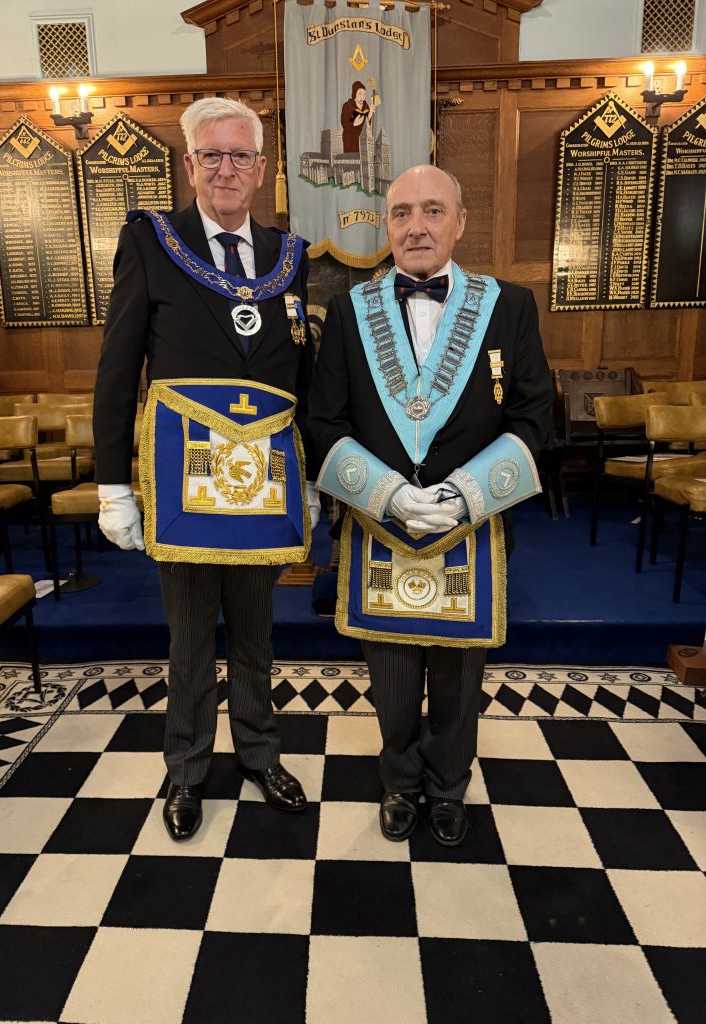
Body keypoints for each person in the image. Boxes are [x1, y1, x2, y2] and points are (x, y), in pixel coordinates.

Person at [93, 97, 319, 842]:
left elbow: (301, 376)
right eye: (212, 155)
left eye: (240, 155)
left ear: (262, 168)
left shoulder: (290, 256)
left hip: (265, 483)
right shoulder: (152, 241)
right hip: (182, 481)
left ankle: (259, 753)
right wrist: (113, 484)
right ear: (189, 165)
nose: (227, 168)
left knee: (257, 631)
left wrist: (309, 476)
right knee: (190, 638)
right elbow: (118, 369)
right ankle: (187, 768)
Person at [308, 165, 553, 846]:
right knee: (389, 675)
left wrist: (466, 495)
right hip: (377, 523)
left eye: (433, 211)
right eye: (402, 212)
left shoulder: (510, 306)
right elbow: (324, 420)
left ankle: (447, 785)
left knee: (457, 677)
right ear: (386, 225)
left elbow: (534, 417)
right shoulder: (350, 312)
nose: (416, 226)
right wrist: (385, 494)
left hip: (469, 526)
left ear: (461, 222)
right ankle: (398, 781)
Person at [341, 81, 373, 153]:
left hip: (362, 137)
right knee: (351, 157)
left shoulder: (366, 106)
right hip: (350, 138)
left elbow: (367, 123)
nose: (362, 97)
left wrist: (371, 112)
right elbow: (344, 123)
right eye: (360, 94)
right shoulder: (347, 105)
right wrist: (353, 123)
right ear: (355, 93)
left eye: (364, 94)